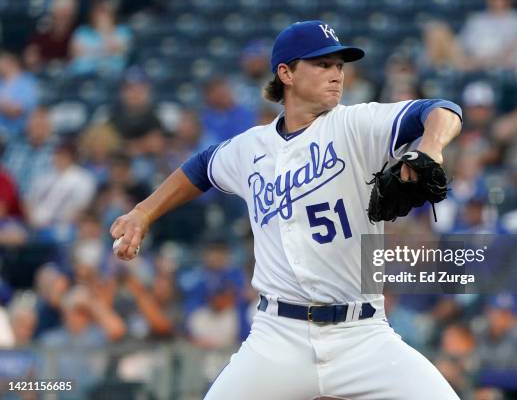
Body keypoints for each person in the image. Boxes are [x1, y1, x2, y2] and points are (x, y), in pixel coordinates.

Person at [111, 20, 462, 399]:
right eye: (322, 65)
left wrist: (431, 146)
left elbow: (442, 109)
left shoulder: (356, 124)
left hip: (361, 334)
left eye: (339, 65)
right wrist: (143, 213)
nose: (337, 74)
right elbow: (201, 168)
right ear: (286, 73)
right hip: (278, 337)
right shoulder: (251, 147)